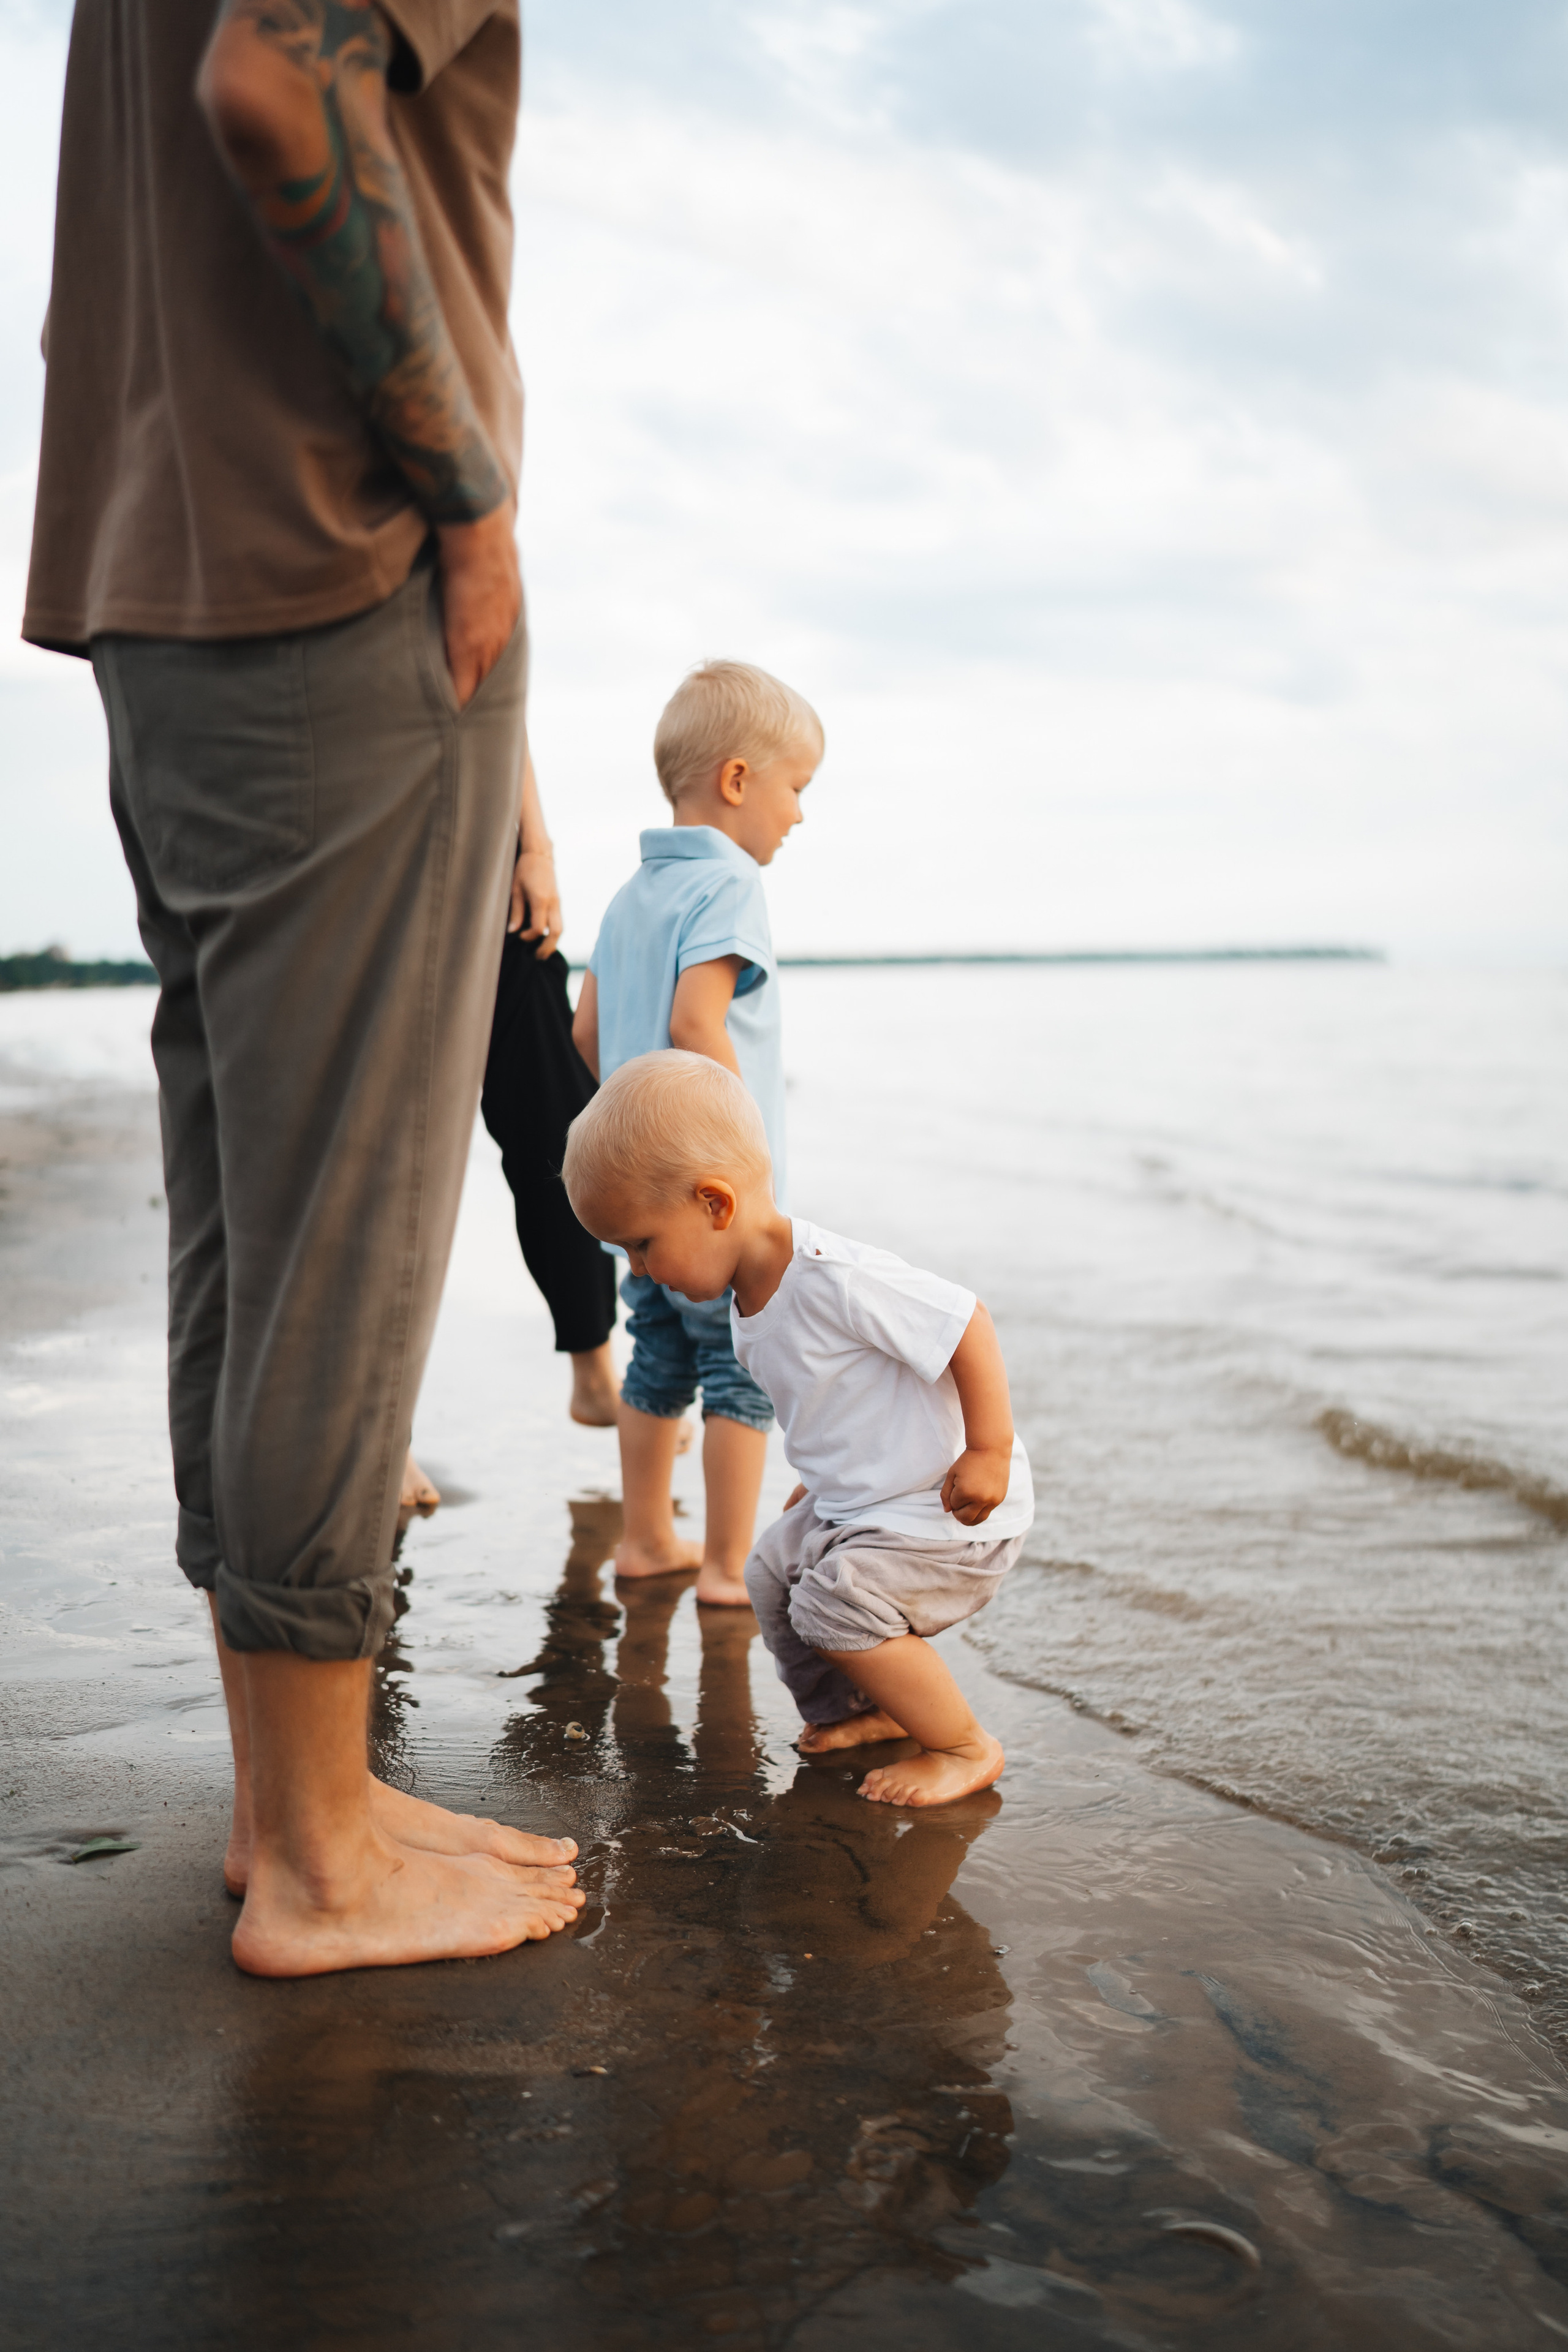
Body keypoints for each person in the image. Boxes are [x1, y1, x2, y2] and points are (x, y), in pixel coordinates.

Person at [22, 0, 584, 1972]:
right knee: (341, 1232)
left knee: (251, 1225)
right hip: (336, 571)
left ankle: (292, 1808)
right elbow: (280, 77)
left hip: (157, 576)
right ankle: (330, 1859)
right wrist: (473, 489)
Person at [560, 1052, 1035, 1806]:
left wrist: (989, 1449)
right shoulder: (748, 1307)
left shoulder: (834, 1277)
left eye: (642, 1244)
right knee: (768, 1573)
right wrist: (818, 1479)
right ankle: (861, 1709)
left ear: (715, 1203)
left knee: (830, 1602)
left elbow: (965, 1322)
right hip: (867, 1499)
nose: (639, 1271)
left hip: (945, 1511)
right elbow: (837, 1402)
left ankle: (964, 1746)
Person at [571, 662, 821, 1605]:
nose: (798, 815)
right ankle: (724, 1568)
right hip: (711, 1194)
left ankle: (644, 1541)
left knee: (660, 1356)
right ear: (737, 780)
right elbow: (697, 1023)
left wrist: (636, 1158)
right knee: (738, 1371)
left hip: (641, 1193)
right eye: (796, 788)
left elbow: (587, 1037)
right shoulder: (731, 888)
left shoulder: (629, 895)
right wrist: (740, 1159)